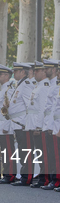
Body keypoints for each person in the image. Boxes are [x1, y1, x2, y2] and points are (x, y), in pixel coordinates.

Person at [9, 62, 35, 186]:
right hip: (17, 123)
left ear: (22, 72)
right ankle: (24, 175)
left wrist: (27, 123)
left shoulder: (26, 85)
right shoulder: (20, 85)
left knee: (25, 151)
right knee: (22, 151)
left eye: (16, 71)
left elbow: (29, 105)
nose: (13, 73)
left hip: (23, 124)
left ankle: (27, 177)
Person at [0, 65, 17, 184]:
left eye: (1, 74)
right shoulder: (3, 88)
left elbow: (9, 109)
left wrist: (7, 126)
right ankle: (6, 173)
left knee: (8, 151)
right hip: (0, 124)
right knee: (4, 151)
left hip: (5, 124)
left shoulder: (9, 89)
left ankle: (10, 174)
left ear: (7, 76)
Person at [41, 59, 59, 190]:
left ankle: (56, 180)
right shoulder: (54, 85)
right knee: (52, 154)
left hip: (56, 125)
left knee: (56, 155)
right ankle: (53, 179)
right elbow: (50, 109)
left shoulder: (56, 85)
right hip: (52, 124)